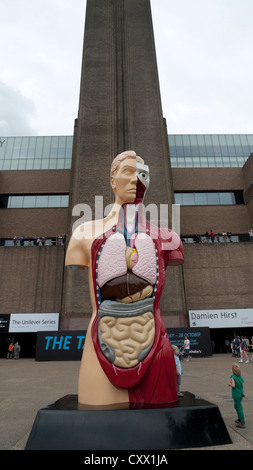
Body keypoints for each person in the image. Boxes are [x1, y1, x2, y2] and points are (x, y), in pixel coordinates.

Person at [65, 150, 184, 406]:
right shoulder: (84, 233)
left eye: (142, 175)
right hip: (102, 339)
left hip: (155, 343)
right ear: (112, 179)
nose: (136, 180)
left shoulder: (169, 238)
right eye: (128, 172)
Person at [228, 363, 245, 428]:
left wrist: (230, 384)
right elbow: (241, 382)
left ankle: (242, 422)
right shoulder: (240, 376)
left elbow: (233, 385)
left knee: (238, 407)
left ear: (233, 370)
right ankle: (240, 418)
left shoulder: (233, 376)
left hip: (236, 394)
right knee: (236, 406)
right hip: (240, 393)